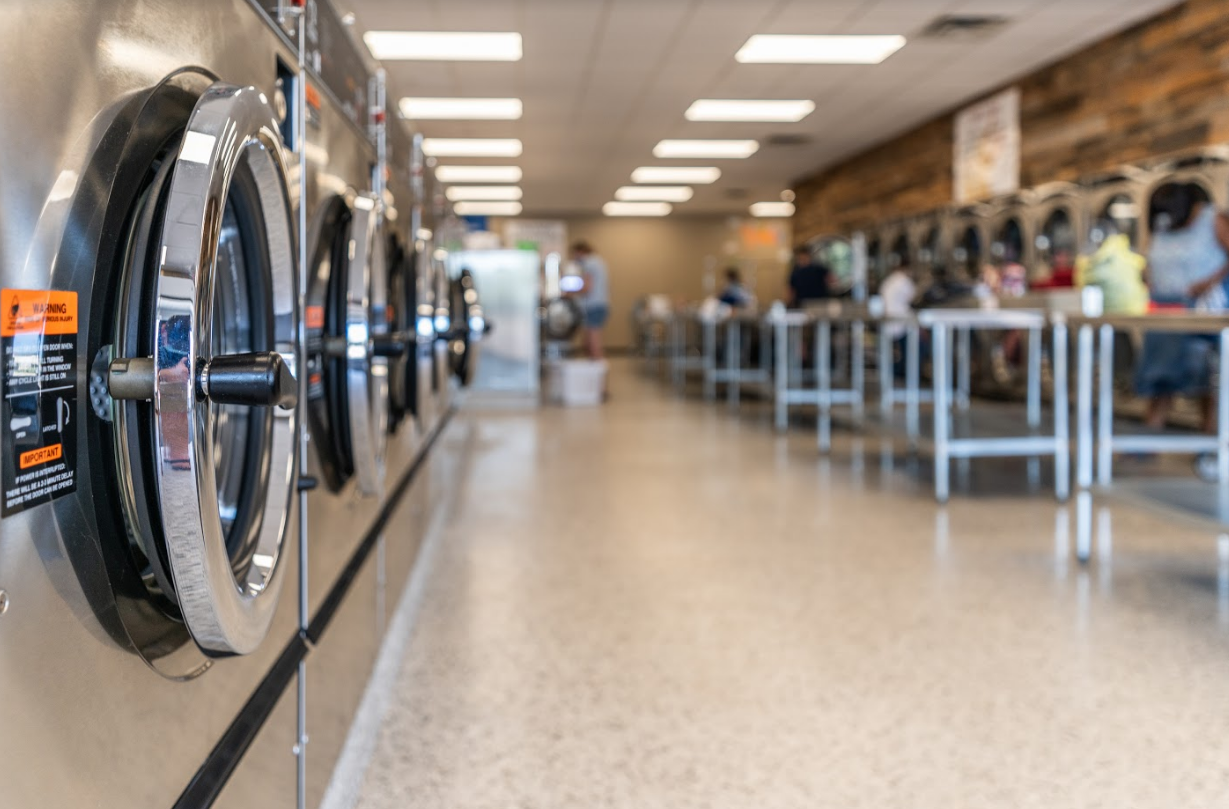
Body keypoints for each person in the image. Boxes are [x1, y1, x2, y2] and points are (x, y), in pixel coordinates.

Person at [1135, 182, 1229, 479]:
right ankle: (1149, 438)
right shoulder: (1164, 224)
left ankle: (1210, 443)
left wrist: (1210, 281)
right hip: (1165, 304)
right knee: (1159, 373)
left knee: (1206, 375)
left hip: (1202, 307)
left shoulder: (1213, 219)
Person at [570, 241, 609, 361]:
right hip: (598, 305)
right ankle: (594, 369)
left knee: (593, 343)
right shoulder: (598, 262)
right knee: (587, 342)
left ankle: (600, 370)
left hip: (594, 306)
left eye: (574, 254)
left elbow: (587, 287)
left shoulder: (590, 263)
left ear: (580, 252)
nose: (574, 257)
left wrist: (569, 292)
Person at [879, 260, 918, 378]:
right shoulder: (904, 281)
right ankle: (906, 372)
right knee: (913, 348)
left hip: (889, 320)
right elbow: (913, 298)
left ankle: (897, 371)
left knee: (898, 349)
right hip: (902, 321)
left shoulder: (888, 281)